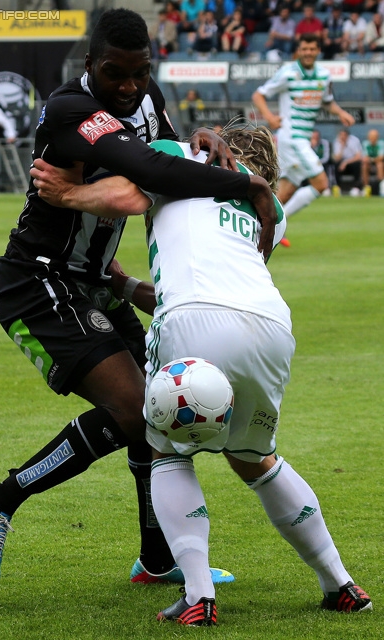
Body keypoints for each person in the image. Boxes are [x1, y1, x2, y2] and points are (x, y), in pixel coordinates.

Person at [0, 8, 277, 591]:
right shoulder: (69, 110)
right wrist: (247, 183)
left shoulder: (144, 96)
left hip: (98, 281)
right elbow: (142, 171)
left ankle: (157, 559)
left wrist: (193, 141)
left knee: (156, 416)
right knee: (136, 409)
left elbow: (156, 159)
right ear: (90, 65)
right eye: (116, 74)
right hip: (38, 283)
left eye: (140, 73)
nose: (130, 86)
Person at [30, 121, 372, 625]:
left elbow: (127, 193)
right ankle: (339, 582)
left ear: (218, 144)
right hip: (270, 325)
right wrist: (126, 288)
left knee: (164, 448)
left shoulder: (174, 153)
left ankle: (198, 595)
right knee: (257, 458)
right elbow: (225, 284)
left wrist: (68, 193)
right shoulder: (270, 209)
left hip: (190, 318)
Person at [252, 33, 355, 246]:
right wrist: (270, 117)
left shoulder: (324, 76)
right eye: (304, 49)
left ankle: (258, 227)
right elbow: (258, 95)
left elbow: (327, 102)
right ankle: (277, 227)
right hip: (292, 137)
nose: (308, 53)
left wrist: (341, 113)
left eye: (312, 49)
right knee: (320, 183)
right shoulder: (288, 73)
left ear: (318, 51)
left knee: (286, 189)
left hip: (304, 139)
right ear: (299, 50)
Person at [332, 128, 363, 195]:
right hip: (342, 165)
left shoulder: (354, 141)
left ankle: (356, 188)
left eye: (344, 135)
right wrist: (342, 147)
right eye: (341, 135)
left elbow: (358, 156)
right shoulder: (337, 141)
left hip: (352, 162)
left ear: (348, 136)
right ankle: (338, 187)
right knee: (336, 164)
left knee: (357, 164)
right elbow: (337, 158)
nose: (342, 137)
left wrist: (345, 162)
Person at [361, 128, 384, 195]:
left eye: (374, 137)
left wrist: (371, 159)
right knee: (364, 166)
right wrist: (372, 160)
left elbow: (381, 157)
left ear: (377, 137)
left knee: (379, 164)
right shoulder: (365, 143)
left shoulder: (381, 143)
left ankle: (381, 186)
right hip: (369, 163)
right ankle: (366, 187)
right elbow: (365, 158)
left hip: (379, 163)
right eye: (371, 137)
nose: (372, 139)